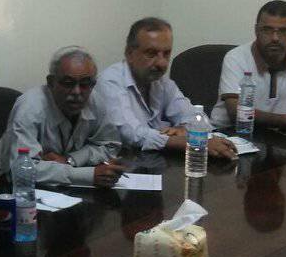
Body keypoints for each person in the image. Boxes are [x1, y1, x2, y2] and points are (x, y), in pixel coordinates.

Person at [99, 18, 236, 159]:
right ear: (130, 54)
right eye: (151, 53)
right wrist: (189, 141)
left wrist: (184, 129)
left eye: (166, 54)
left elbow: (197, 118)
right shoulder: (110, 82)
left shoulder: (161, 81)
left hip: (154, 160)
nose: (161, 63)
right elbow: (131, 134)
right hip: (121, 163)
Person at [0, 46, 125, 187]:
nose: (77, 92)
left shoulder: (94, 100)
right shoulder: (29, 107)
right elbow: (22, 170)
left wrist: (71, 160)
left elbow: (110, 145)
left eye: (85, 84)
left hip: (65, 186)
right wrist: (87, 175)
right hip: (10, 186)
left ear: (93, 84)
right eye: (68, 83)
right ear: (51, 82)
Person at [210, 0, 286, 132]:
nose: (275, 38)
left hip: (275, 135)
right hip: (228, 133)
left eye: (284, 31)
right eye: (267, 30)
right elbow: (235, 112)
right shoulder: (236, 57)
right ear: (256, 30)